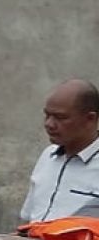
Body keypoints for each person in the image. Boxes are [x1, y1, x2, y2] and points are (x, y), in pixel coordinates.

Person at [20, 78, 99, 223]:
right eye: (47, 115)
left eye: (60, 117)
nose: (49, 124)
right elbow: (28, 218)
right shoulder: (47, 157)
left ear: (90, 119)